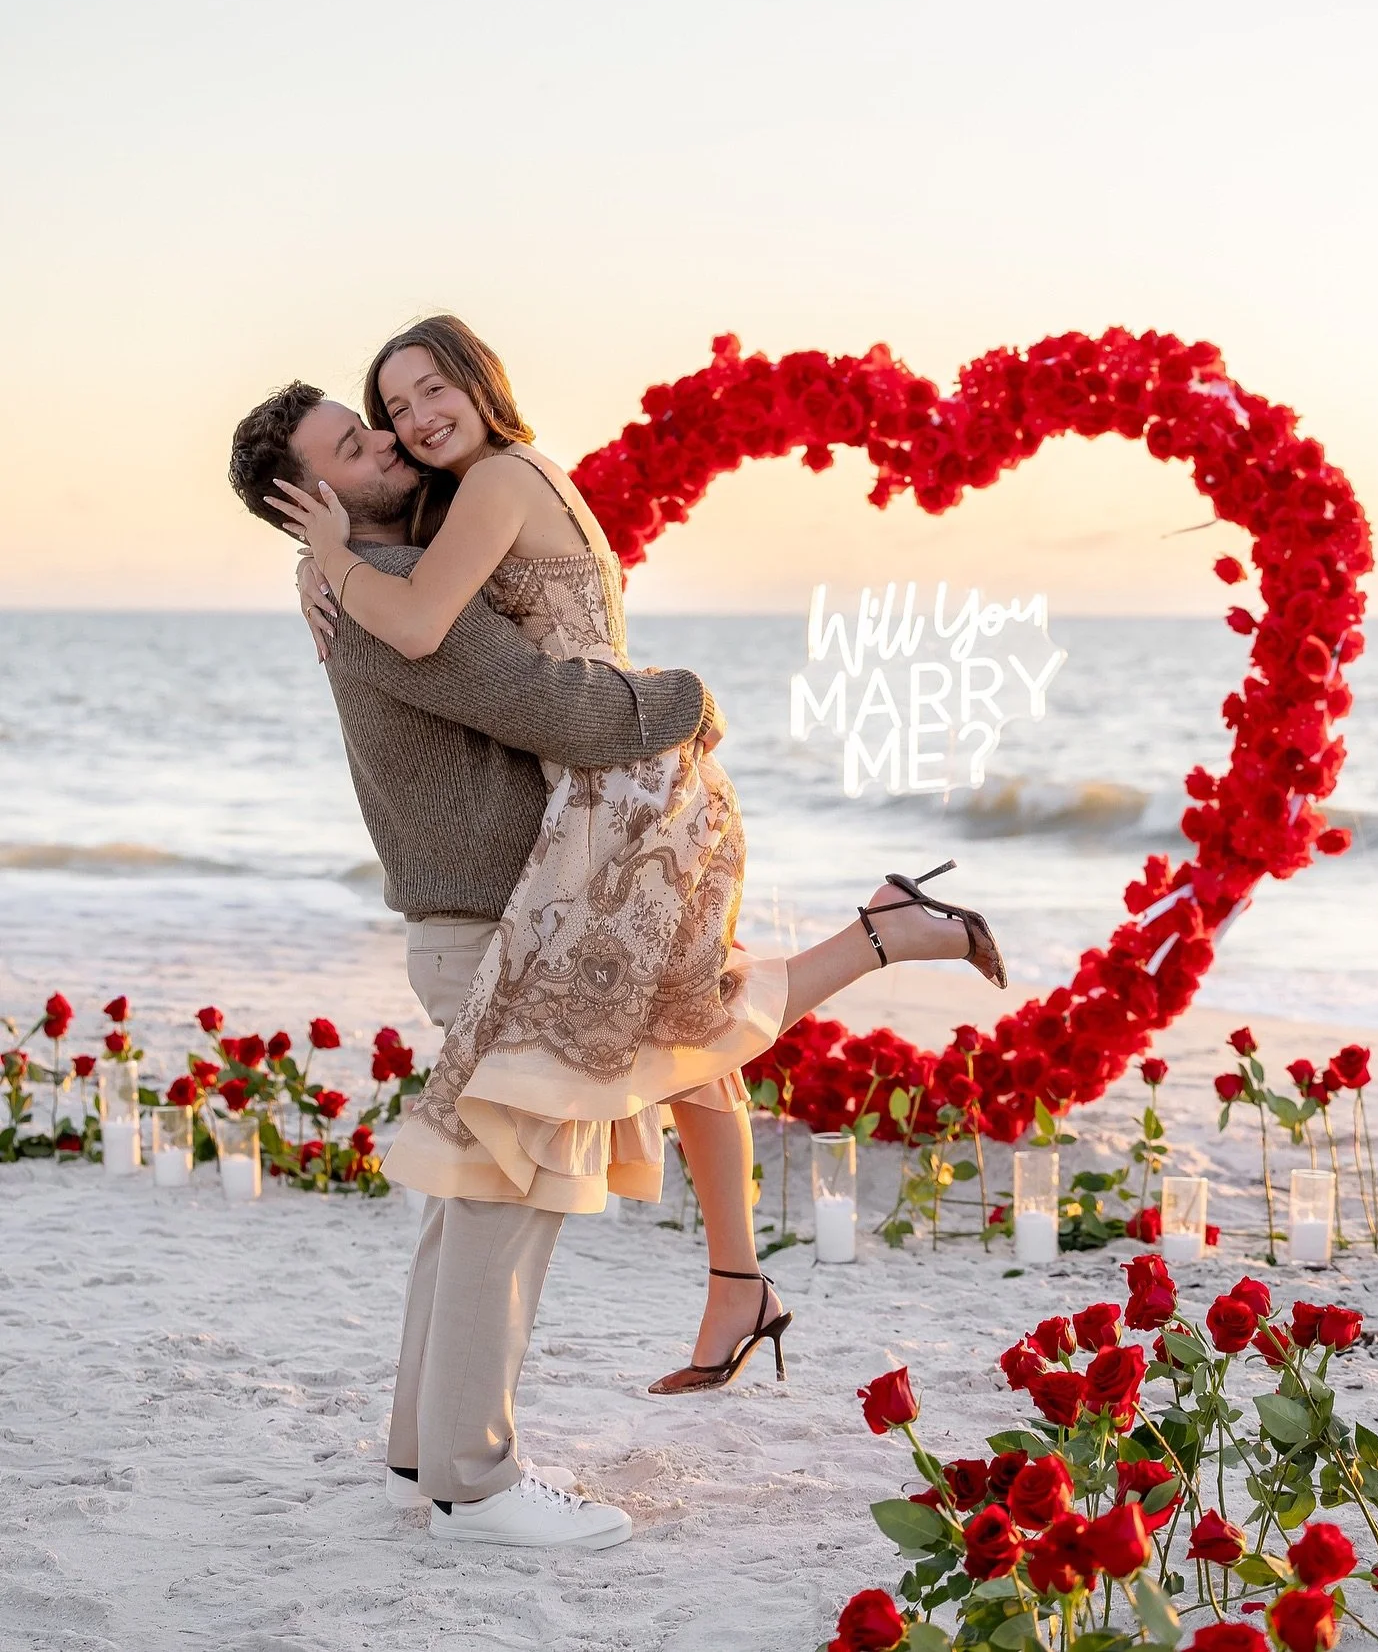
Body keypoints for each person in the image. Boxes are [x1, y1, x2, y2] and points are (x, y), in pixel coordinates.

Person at [232, 327, 1005, 1549]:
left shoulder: (377, 569)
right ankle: (475, 1483)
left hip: (486, 921)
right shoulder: (378, 590)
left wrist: (325, 560)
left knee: (484, 1180)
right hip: (490, 928)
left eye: (396, 408)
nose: (392, 433)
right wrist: (687, 699)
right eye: (361, 433)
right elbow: (555, 709)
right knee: (506, 1190)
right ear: (309, 497)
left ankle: (415, 1455)